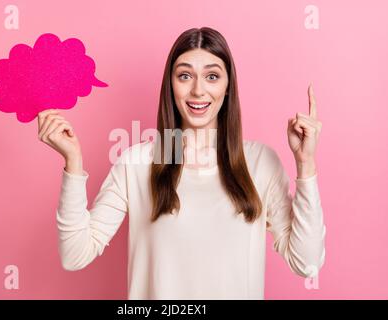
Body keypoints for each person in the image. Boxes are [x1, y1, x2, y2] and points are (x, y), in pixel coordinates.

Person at [37, 27, 325, 300]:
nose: (198, 91)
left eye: (212, 77)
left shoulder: (260, 163)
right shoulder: (138, 163)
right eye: (185, 76)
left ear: (227, 88)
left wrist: (305, 163)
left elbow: (307, 261)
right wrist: (73, 162)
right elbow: (75, 254)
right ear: (170, 86)